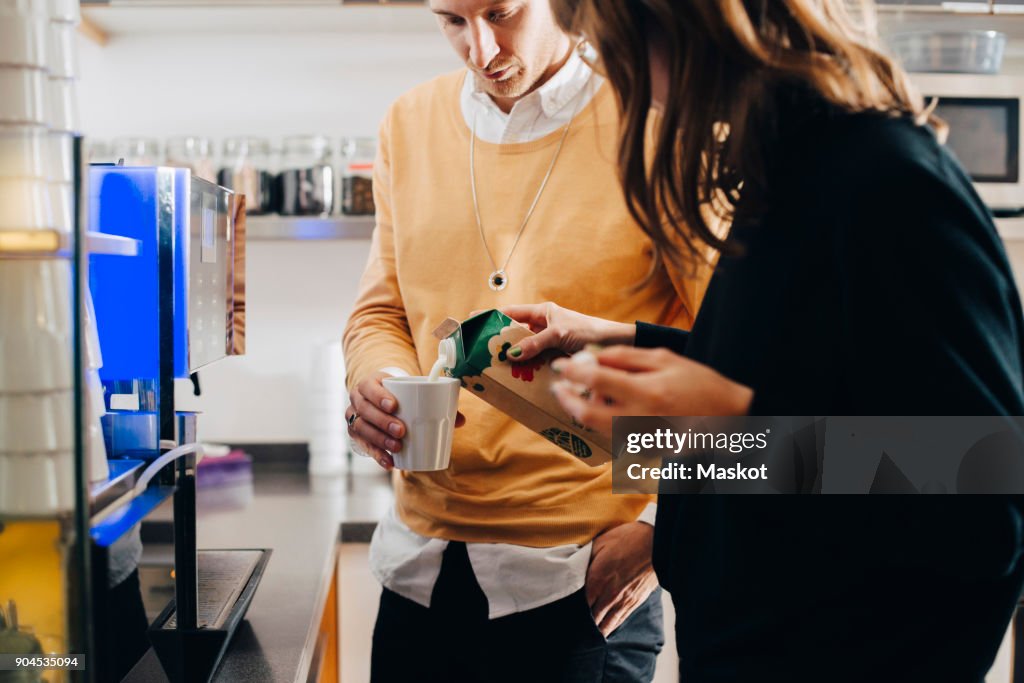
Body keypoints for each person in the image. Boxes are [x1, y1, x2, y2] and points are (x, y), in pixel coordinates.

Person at [502, 1, 1024, 681]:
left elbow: (988, 494)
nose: (624, 83)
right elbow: (806, 380)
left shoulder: (883, 180)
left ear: (686, 27)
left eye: (615, 51)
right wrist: (624, 344)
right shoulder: (790, 171)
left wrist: (725, 421)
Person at [340, 0, 712, 680]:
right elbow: (380, 311)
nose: (480, 49)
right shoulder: (409, 122)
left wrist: (661, 532)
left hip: (579, 575)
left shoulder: (656, 126)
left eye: (502, 13)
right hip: (416, 566)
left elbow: (733, 358)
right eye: (451, 20)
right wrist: (381, 381)